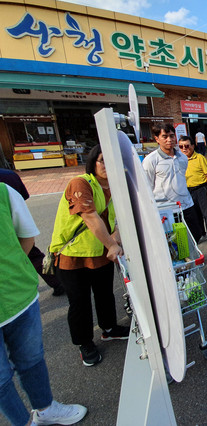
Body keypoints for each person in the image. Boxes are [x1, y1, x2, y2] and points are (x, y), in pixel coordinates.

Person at [0, 182, 88, 426]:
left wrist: (9, 270)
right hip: (16, 293)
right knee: (1, 380)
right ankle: (24, 423)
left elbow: (26, 237)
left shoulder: (4, 192)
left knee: (31, 359)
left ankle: (46, 409)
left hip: (17, 296)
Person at [49, 145, 128, 366]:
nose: (107, 166)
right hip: (72, 255)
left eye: (112, 162)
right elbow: (90, 217)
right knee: (79, 301)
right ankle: (84, 343)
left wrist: (117, 237)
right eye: (103, 161)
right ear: (93, 162)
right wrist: (112, 245)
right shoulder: (81, 183)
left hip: (100, 253)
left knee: (104, 294)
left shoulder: (117, 186)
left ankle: (109, 328)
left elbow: (120, 217)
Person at [0, 168, 65, 296]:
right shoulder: (9, 175)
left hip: (5, 229)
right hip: (18, 221)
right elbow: (24, 197)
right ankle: (57, 282)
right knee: (33, 254)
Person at [142, 124, 203, 242]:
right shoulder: (151, 160)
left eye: (171, 136)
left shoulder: (183, 157)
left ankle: (190, 257)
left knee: (195, 234)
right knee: (172, 242)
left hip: (186, 205)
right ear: (156, 138)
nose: (169, 140)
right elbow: (147, 187)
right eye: (164, 136)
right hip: (166, 209)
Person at [178, 136, 207, 248]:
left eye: (186, 146)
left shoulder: (200, 157)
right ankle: (202, 234)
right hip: (188, 191)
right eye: (181, 146)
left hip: (201, 189)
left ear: (193, 145)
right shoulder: (179, 159)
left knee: (205, 213)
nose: (184, 149)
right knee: (195, 215)